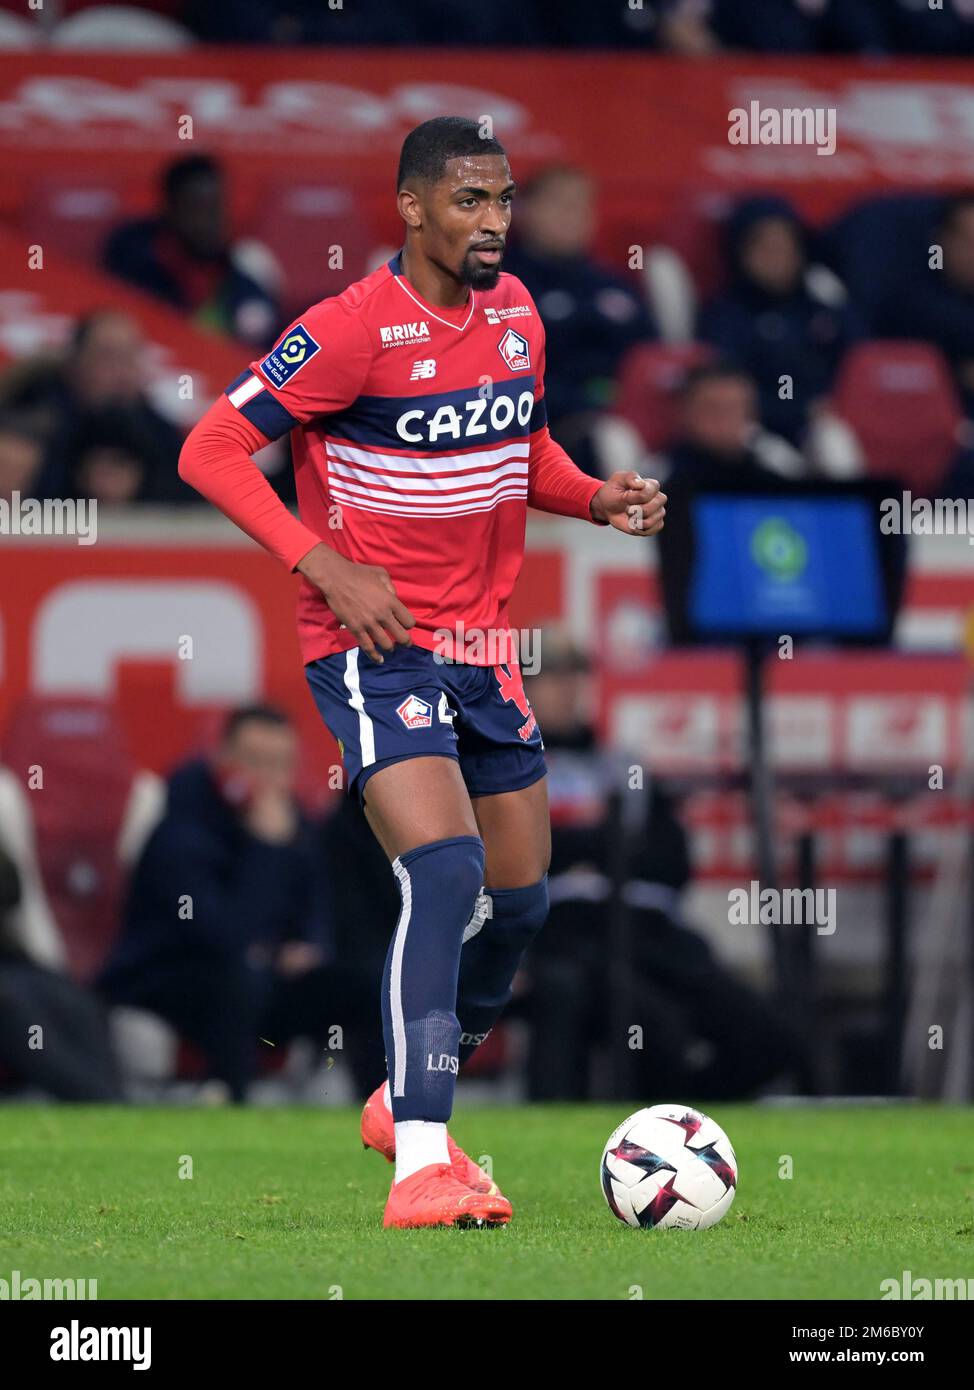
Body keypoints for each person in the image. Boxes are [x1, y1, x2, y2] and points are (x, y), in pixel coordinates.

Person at [178, 116, 667, 1229]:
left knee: (523, 901)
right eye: (467, 202)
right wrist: (325, 566)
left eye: (501, 200)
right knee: (443, 875)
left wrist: (594, 494)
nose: (491, 221)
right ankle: (419, 1166)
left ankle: (402, 1092)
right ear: (409, 208)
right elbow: (207, 447)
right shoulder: (348, 332)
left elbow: (518, 447)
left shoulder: (516, 314)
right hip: (374, 648)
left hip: (484, 651)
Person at [97, 706, 383, 1102]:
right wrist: (265, 849)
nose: (266, 777)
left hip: (263, 979)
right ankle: (230, 1103)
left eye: (278, 764)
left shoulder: (296, 823)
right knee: (238, 979)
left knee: (366, 984)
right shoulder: (183, 824)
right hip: (171, 978)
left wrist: (307, 948)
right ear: (223, 759)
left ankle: (385, 1113)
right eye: (253, 761)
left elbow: (318, 907)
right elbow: (218, 933)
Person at [699, 197, 862, 445]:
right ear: (741, 252)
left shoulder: (823, 303)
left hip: (832, 428)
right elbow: (726, 391)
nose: (777, 259)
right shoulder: (725, 316)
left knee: (834, 441)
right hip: (759, 433)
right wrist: (800, 412)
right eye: (766, 249)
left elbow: (861, 363)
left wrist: (837, 406)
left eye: (786, 247)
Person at [103, 155, 279, 348]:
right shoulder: (132, 265)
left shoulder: (246, 275)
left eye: (217, 207)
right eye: (199, 208)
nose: (212, 221)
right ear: (170, 208)